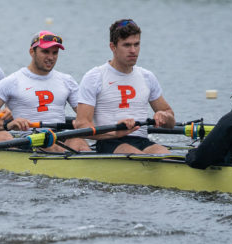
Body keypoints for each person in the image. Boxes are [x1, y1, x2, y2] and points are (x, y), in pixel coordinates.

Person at [0, 31, 91, 152]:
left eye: (55, 53)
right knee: (51, 146)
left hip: (58, 135)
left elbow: (86, 118)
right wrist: (7, 125)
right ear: (32, 52)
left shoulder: (68, 81)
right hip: (26, 138)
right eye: (45, 52)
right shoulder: (11, 82)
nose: (51, 57)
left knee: (79, 143)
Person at [74, 19, 175, 154]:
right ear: (113, 47)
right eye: (127, 45)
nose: (133, 50)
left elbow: (171, 122)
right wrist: (116, 133)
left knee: (165, 155)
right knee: (136, 155)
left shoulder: (147, 77)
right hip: (109, 142)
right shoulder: (95, 76)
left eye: (136, 44)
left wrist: (165, 116)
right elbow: (82, 125)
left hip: (142, 141)